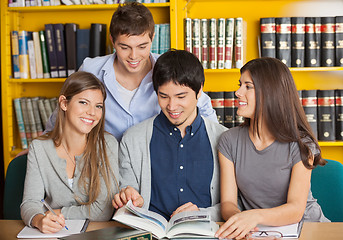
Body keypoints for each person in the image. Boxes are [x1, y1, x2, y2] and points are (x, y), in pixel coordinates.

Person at [45, 2, 216, 142]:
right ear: (112, 41)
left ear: (153, 38)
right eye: (124, 47)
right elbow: (61, 116)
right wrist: (43, 145)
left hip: (153, 166)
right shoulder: (91, 69)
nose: (134, 56)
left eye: (142, 47)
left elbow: (203, 108)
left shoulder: (169, 69)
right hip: (103, 164)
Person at [215, 57, 329, 240]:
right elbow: (228, 202)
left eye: (248, 86)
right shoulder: (228, 141)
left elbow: (295, 210)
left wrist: (254, 216)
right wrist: (241, 224)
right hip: (259, 232)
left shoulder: (301, 143)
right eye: (239, 85)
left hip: (308, 230)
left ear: (270, 92)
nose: (237, 92)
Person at [111, 49, 227, 221]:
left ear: (199, 90)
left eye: (181, 96)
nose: (172, 106)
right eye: (163, 96)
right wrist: (129, 199)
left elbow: (237, 203)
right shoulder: (132, 139)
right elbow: (127, 196)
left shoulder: (224, 139)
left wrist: (202, 214)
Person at [20, 72, 120, 233]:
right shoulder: (39, 148)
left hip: (96, 235)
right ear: (64, 103)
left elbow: (103, 210)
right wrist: (40, 220)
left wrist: (59, 212)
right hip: (54, 235)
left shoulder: (107, 145)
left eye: (98, 106)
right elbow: (30, 202)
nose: (92, 112)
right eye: (83, 102)